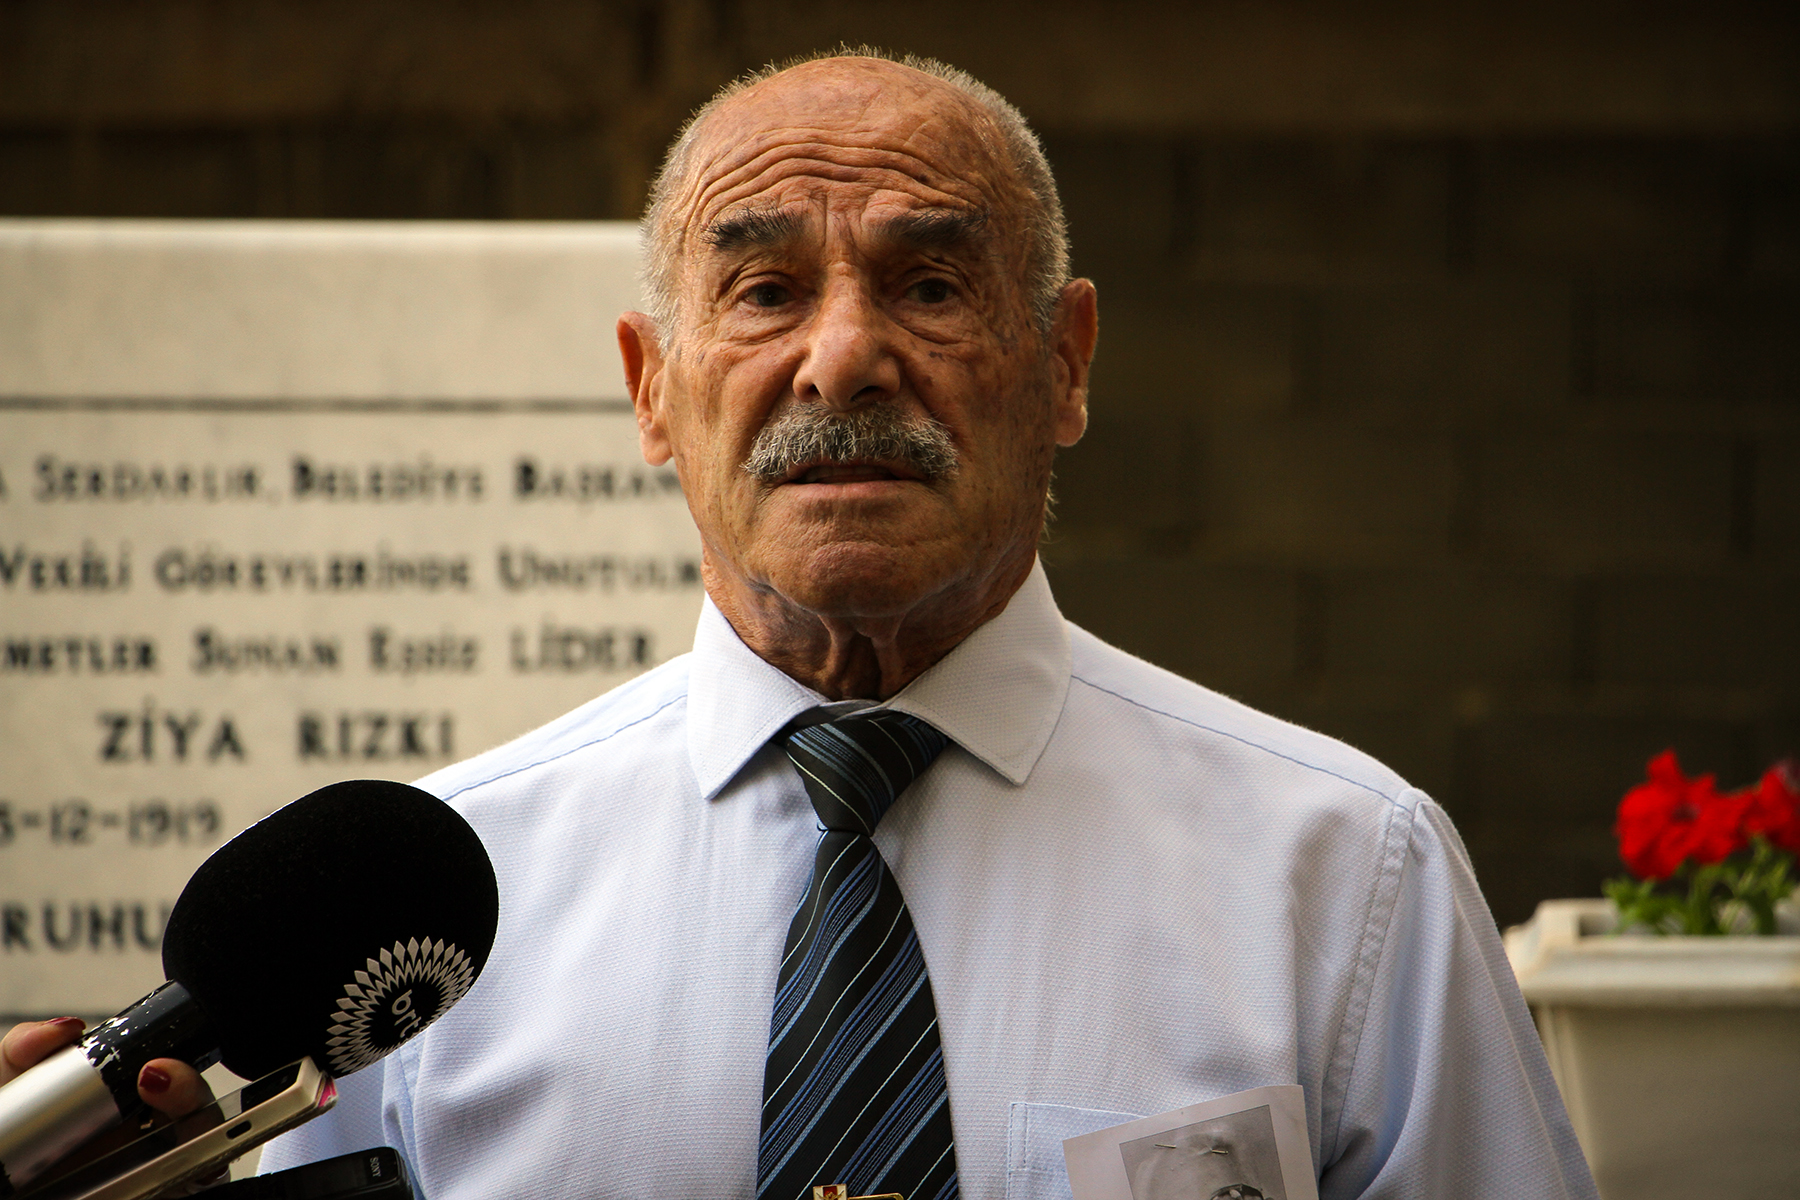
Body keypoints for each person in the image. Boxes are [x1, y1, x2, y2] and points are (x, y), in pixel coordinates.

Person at [5, 50, 1596, 1200]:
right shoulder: (429, 925)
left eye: (931, 286)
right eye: (764, 291)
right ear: (651, 388)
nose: (843, 356)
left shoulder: (1345, 876)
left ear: (1066, 363)